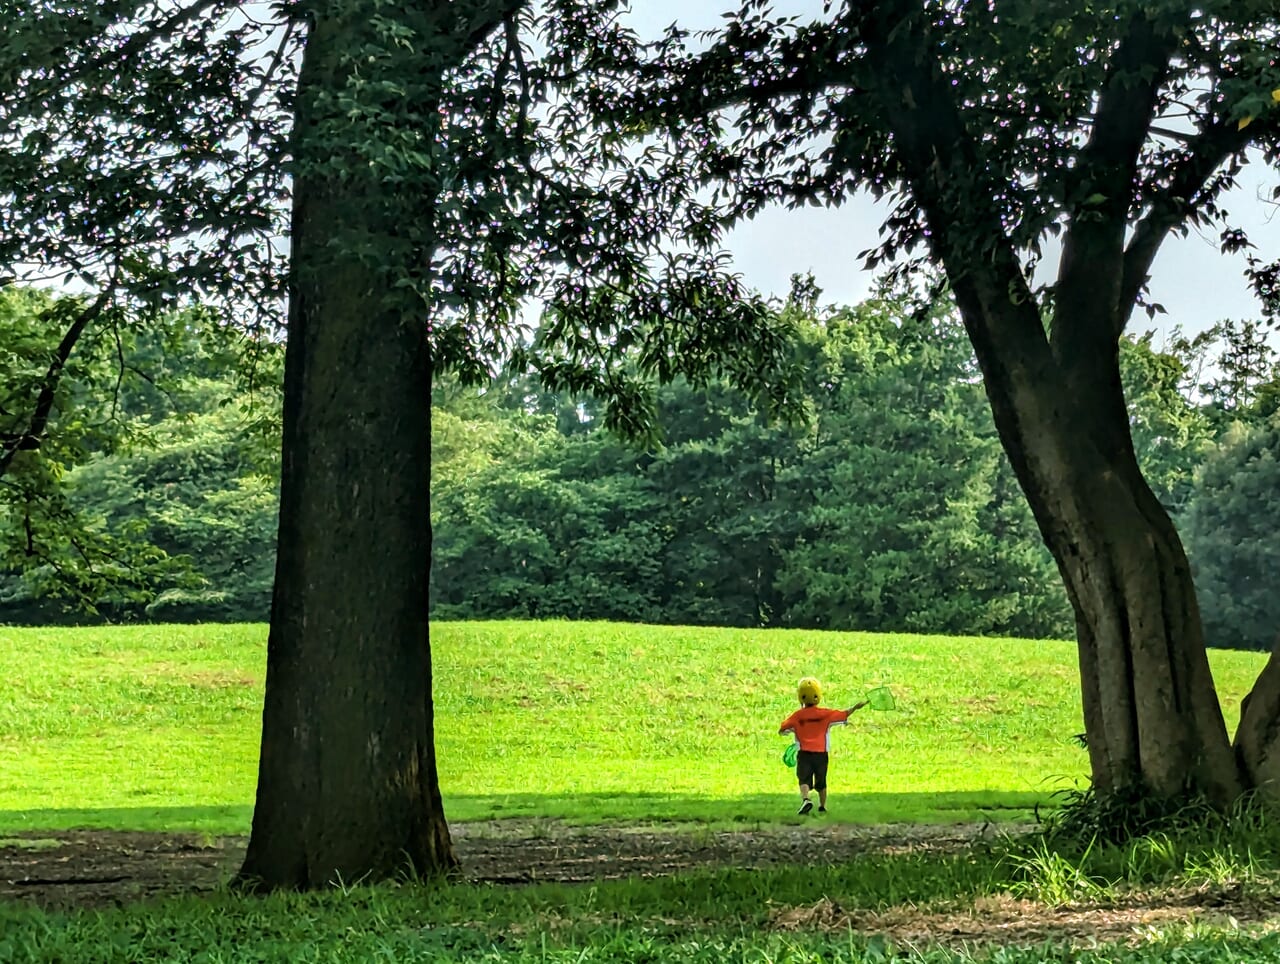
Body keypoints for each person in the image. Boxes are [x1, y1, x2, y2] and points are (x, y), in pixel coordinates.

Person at [778, 677, 867, 815]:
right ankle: (822, 806)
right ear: (818, 695)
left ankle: (806, 799)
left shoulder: (797, 716)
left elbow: (783, 729)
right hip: (821, 754)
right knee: (821, 780)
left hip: (804, 753)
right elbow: (843, 714)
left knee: (804, 779)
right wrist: (855, 707)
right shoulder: (825, 714)